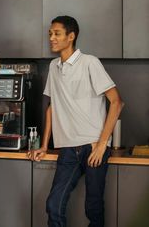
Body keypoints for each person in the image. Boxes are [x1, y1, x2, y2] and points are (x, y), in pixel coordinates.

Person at [28, 15, 123, 227]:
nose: (51, 38)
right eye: (50, 34)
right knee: (54, 204)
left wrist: (101, 145)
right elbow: (52, 108)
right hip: (68, 149)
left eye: (57, 34)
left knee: (93, 207)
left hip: (93, 147)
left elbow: (117, 102)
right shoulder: (54, 66)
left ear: (71, 36)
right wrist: (44, 146)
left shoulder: (90, 62)